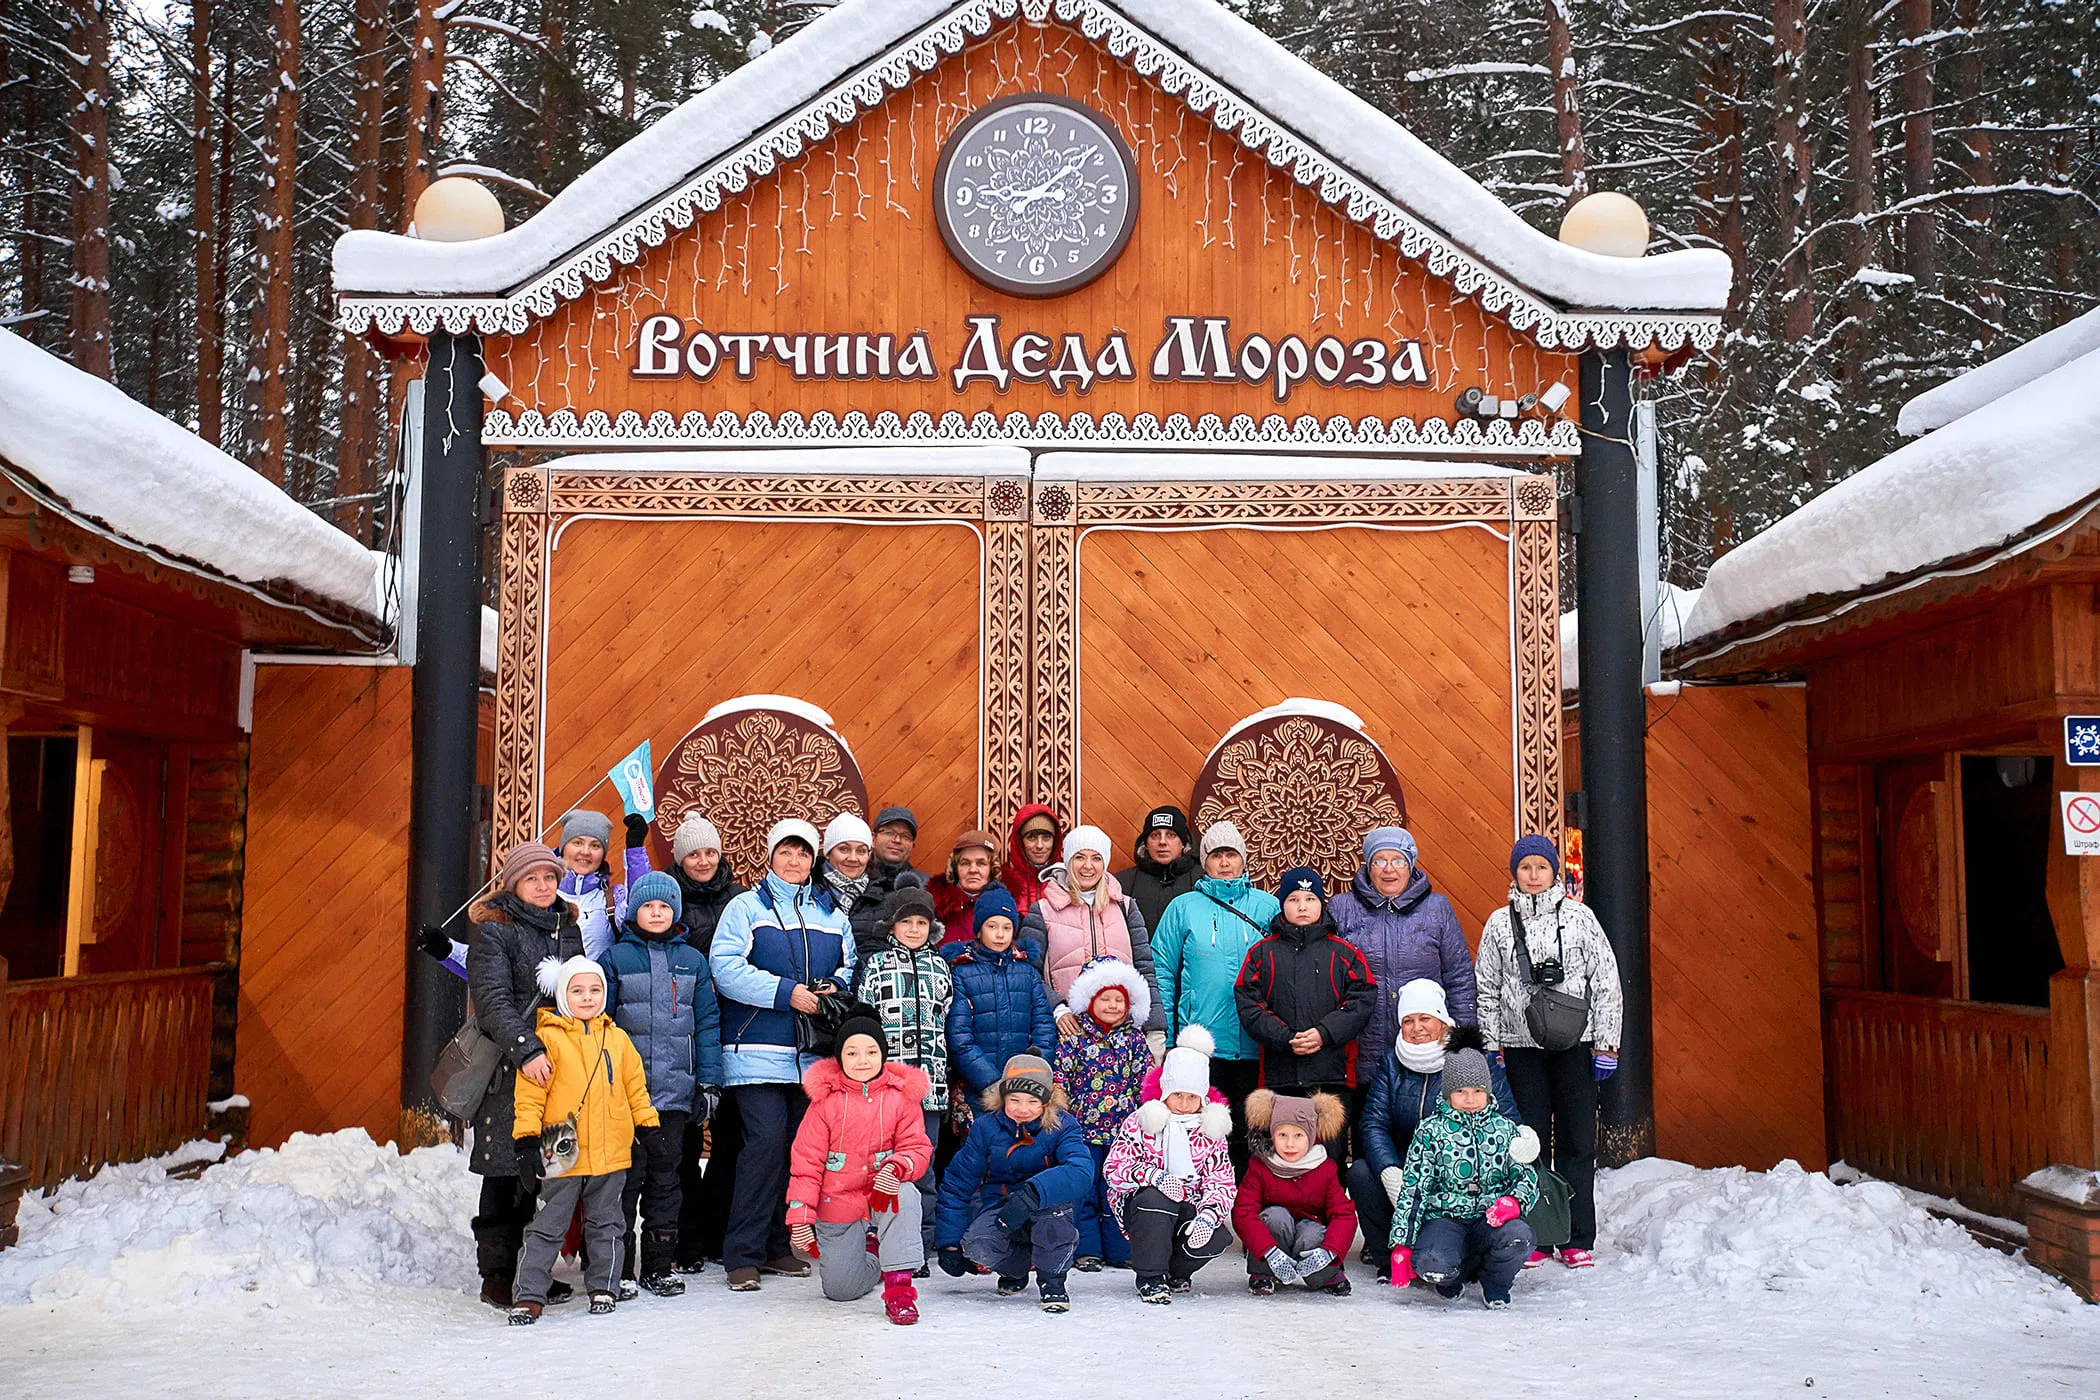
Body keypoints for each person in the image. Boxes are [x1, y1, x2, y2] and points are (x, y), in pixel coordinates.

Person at [708, 817, 857, 1291]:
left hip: (812, 1056)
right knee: (764, 1147)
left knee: (798, 1151)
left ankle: (777, 1245)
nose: (794, 861)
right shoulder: (745, 907)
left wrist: (834, 986)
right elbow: (724, 967)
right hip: (755, 1050)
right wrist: (785, 992)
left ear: (814, 860)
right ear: (770, 857)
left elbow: (851, 966)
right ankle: (742, 1253)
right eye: (786, 852)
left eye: (803, 854)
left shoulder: (832, 913)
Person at [1474, 834, 1622, 1270]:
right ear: (1514, 872)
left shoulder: (1581, 918)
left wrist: (1607, 1043)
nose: (1534, 875)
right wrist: (1490, 1047)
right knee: (1527, 1141)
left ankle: (1577, 1235)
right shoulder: (1499, 924)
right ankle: (1537, 1233)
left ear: (1555, 871)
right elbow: (1487, 989)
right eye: (1525, 867)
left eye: (1542, 867)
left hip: (1575, 1046)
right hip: (1521, 1049)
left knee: (1577, 1141)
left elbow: (1606, 982)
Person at [508, 956, 666, 1324]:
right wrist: (526, 1141)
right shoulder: (546, 1039)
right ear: (563, 994)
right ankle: (529, 1293)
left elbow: (635, 1090)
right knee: (548, 1224)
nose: (587, 998)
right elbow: (530, 1096)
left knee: (608, 1223)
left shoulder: (618, 1039)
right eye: (577, 990)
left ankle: (604, 1287)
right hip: (559, 1148)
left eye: (595, 990)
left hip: (610, 1149)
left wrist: (649, 1127)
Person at [465, 841, 585, 1311]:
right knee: (503, 1171)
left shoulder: (567, 929)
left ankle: (533, 1269)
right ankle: (497, 1274)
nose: (542, 885)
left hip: (558, 1068)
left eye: (550, 877)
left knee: (548, 1172)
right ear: (514, 882)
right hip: (509, 1066)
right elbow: (492, 1001)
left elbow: (578, 993)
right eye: (532, 877)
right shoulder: (494, 930)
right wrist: (528, 1048)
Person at [600, 869, 722, 1297]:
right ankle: (621, 1267)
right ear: (635, 910)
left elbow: (707, 1024)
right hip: (624, 1097)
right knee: (625, 1181)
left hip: (673, 1095)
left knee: (666, 1180)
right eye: (648, 906)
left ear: (676, 912)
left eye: (664, 906)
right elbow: (601, 1024)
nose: (656, 913)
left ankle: (658, 1264)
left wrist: (708, 1082)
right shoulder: (615, 960)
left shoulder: (693, 961)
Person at [1348, 979, 1526, 1265]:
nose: (1416, 1028)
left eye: (1424, 1018)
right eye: (1408, 1020)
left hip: (1461, 1170)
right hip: (1408, 1165)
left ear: (1441, 1020)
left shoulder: (1472, 1059)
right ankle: (1387, 1256)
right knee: (1360, 1172)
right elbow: (1373, 1122)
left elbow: (1507, 1117)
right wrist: (1391, 1170)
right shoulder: (1392, 1063)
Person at [1148, 820, 1280, 1172]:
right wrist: (1168, 1032)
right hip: (1201, 1040)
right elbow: (1162, 968)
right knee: (1204, 1127)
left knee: (1253, 1126)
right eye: (1217, 855)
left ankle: (1248, 1204)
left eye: (1231, 854)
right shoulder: (1183, 907)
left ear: (1243, 859)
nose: (1224, 862)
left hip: (1257, 1039)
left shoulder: (1267, 907)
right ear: (1204, 861)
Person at [785, 1015, 934, 1325]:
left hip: (882, 1193)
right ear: (840, 1058)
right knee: (840, 1289)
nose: (862, 1060)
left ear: (883, 1054)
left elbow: (916, 1148)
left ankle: (899, 1291)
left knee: (905, 1194)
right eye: (852, 1053)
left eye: (871, 1051)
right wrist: (800, 1216)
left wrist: (895, 1168)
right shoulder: (825, 1103)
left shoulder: (901, 1097)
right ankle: (875, 1254)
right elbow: (806, 1165)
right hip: (838, 1202)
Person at [1387, 1028, 1540, 1309]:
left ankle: (1495, 1282)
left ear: (1488, 1091)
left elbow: (1527, 1175)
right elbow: (1414, 1189)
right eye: (1461, 1091)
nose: (1470, 1099)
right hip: (1446, 1219)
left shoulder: (1504, 1129)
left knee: (1519, 1237)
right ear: (1448, 1093)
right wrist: (1402, 1244)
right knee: (1431, 1261)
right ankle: (1450, 1279)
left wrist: (1514, 1202)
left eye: (1477, 1091)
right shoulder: (1431, 1131)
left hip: (1490, 1220)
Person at [1329, 826, 1477, 1113]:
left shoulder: (1437, 908)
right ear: (1368, 866)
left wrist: (1463, 1044)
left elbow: (1459, 978)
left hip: (1427, 1050)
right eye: (1379, 861)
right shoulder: (1342, 908)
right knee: (1370, 1136)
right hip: (1362, 1048)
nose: (1388, 870)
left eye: (1397, 861)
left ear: (1410, 866)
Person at [935, 1052, 1094, 1313]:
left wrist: (1034, 1192)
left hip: (1048, 1205)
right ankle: (1016, 1268)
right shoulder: (986, 1128)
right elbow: (957, 1182)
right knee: (977, 1245)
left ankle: (1052, 1279)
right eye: (1014, 1100)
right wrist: (949, 1241)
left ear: (1046, 1102)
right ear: (1002, 1098)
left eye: (1032, 1101)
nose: (1022, 1109)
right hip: (1003, 1207)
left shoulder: (1064, 1126)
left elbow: (1080, 1169)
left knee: (1051, 1218)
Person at [657, 812, 746, 1273]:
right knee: (685, 1142)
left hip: (732, 1025)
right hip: (680, 1027)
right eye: (694, 853)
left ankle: (718, 1231)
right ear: (680, 859)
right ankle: (682, 1238)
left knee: (731, 1136)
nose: (704, 860)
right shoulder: (667, 900)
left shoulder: (739, 899)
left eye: (710, 851)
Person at [850, 885, 953, 1259]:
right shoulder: (875, 966)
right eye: (905, 921)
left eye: (921, 922)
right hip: (885, 1089)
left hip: (929, 1087)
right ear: (890, 926)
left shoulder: (940, 967)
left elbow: (947, 1017)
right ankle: (878, 1240)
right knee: (882, 1164)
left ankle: (919, 1245)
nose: (913, 929)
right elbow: (863, 1021)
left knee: (922, 1165)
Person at [1100, 1030, 1236, 1304]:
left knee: (1218, 1237)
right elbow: (1114, 1167)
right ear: (1165, 1093)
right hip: (1144, 1206)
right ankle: (1150, 1278)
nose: (1184, 1105)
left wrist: (1208, 1216)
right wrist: (1154, 1177)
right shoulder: (1142, 1122)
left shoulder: (1210, 1131)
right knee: (1156, 1199)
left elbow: (1221, 1181)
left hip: (1189, 1206)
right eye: (1178, 1096)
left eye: (1192, 1097)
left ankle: (1174, 1271)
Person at [1233, 866, 1375, 1097]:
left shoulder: (1345, 954)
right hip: (1279, 1076)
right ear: (1282, 904)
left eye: (1310, 898)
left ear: (1321, 903)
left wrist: (1324, 1033)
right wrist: (1285, 1038)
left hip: (1332, 1077)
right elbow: (1249, 1003)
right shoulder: (1261, 953)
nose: (1302, 906)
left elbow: (1362, 999)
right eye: (1293, 899)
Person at [1051, 958, 1152, 1271]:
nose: (1111, 1005)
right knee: (1084, 1188)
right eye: (1104, 998)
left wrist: (1147, 1115)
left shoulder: (1134, 1039)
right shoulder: (1075, 1038)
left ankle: (1120, 1248)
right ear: (1089, 1001)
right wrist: (1061, 1115)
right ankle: (1087, 1249)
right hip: (1083, 1130)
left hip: (1123, 1133)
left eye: (1118, 999)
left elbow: (1144, 1081)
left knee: (1118, 1189)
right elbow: (1061, 1079)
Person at [1024, 826, 1166, 1045]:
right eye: (1079, 857)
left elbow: (1145, 970)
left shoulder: (1125, 908)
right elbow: (1028, 972)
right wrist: (1057, 1009)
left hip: (1122, 1036)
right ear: (1068, 861)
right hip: (1068, 1037)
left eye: (1096, 858)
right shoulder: (1043, 911)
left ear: (1105, 863)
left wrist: (1155, 1029)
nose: (1088, 866)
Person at [946, 886, 1058, 1136]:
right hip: (979, 1089)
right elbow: (960, 1037)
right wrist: (991, 1082)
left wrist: (1034, 1074)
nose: (999, 935)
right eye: (992, 926)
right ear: (979, 929)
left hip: (1025, 1090)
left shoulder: (1026, 971)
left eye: (1006, 928)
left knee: (1022, 1151)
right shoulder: (962, 972)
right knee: (979, 1152)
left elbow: (1044, 1026)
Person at [1235, 1089, 1355, 1296]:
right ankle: (1263, 1272)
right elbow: (1243, 1212)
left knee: (1312, 1232)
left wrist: (1330, 1251)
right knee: (1275, 1217)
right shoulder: (1260, 1166)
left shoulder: (1323, 1168)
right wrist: (1268, 1251)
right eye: (1282, 1135)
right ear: (1272, 1135)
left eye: (1298, 1136)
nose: (1290, 1144)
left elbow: (1343, 1214)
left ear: (1310, 1136)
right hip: (1272, 1237)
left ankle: (1324, 1274)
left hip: (1308, 1237)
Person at [554, 809, 645, 961]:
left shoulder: (612, 900)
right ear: (563, 847)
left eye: (595, 846)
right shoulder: (542, 893)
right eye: (577, 842)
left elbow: (641, 903)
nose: (585, 852)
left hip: (597, 984)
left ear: (602, 855)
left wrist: (635, 850)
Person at [1113, 805, 1199, 939]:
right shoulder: (1122, 884)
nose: (1162, 842)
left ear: (1183, 843)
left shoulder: (1202, 881)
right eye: (1155, 835)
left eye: (1171, 835)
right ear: (1146, 844)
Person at [929, 829, 1002, 948]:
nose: (973, 870)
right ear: (955, 868)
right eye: (965, 863)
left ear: (992, 868)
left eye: (981, 863)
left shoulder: (1004, 908)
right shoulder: (935, 907)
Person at [1001, 803, 1067, 915]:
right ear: (1020, 841)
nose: (1040, 845)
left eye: (1046, 837)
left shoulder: (1066, 882)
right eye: (1031, 837)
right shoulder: (1004, 884)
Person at [871, 806, 922, 879]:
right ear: (873, 839)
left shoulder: (926, 887)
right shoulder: (854, 879)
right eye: (889, 833)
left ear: (912, 846)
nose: (897, 840)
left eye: (906, 836)